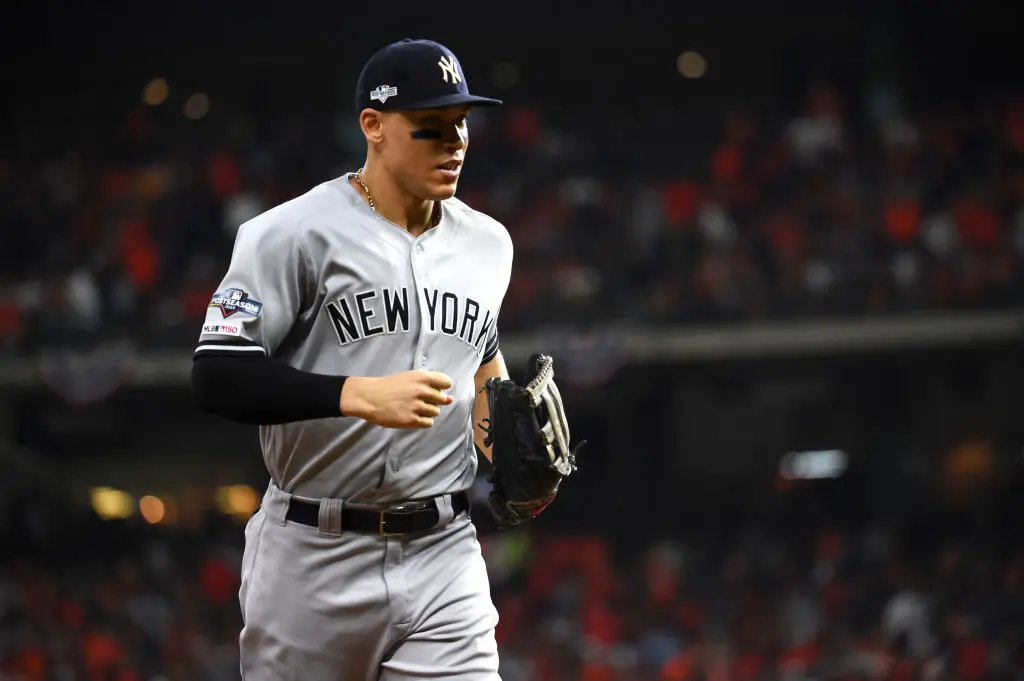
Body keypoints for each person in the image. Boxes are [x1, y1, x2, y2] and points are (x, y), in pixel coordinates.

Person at [191, 38, 527, 680]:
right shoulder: (290, 234)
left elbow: (480, 352)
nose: (453, 142)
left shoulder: (489, 243)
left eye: (460, 124)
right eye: (430, 128)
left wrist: (505, 442)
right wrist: (357, 395)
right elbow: (217, 377)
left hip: (443, 550)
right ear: (373, 126)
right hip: (313, 553)